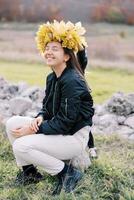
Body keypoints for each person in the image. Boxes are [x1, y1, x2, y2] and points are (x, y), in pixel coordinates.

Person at [6, 20, 94, 194]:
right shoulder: (52, 77)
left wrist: (32, 130)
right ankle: (30, 173)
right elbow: (47, 108)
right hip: (60, 130)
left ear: (67, 56)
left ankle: (68, 174)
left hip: (73, 137)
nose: (48, 52)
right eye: (47, 48)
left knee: (21, 145)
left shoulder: (72, 81)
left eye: (55, 49)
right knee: (12, 123)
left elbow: (65, 123)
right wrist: (40, 117)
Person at [77, 49, 97, 158]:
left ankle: (91, 147)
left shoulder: (78, 69)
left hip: (82, 103)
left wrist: (81, 48)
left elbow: (82, 59)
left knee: (85, 124)